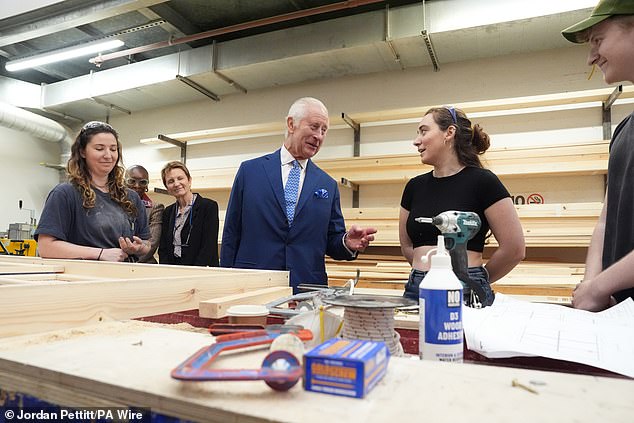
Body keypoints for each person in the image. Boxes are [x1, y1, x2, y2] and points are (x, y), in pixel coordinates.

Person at [220, 97, 377, 292]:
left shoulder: (327, 184)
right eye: (314, 127)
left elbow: (331, 239)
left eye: (324, 130)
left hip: (306, 289)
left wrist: (347, 242)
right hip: (253, 285)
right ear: (291, 124)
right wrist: (225, 281)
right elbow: (231, 233)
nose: (319, 136)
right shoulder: (250, 172)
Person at [399, 106, 525, 306]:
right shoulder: (414, 187)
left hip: (465, 287)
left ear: (449, 132)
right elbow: (407, 246)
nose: (416, 141)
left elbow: (514, 248)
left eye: (424, 131)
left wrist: (475, 279)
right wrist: (427, 272)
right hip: (417, 286)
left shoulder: (483, 182)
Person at [562, 0, 634, 311]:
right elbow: (607, 220)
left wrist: (601, 285)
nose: (591, 57)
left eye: (598, 40)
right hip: (620, 317)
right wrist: (592, 284)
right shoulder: (623, 130)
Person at [35, 121, 150, 261]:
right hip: (84, 279)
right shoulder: (65, 194)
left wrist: (139, 247)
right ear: (82, 151)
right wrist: (100, 253)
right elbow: (46, 247)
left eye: (113, 149)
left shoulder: (131, 197)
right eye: (99, 148)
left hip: (124, 277)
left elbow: (146, 243)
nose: (108, 155)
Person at [158, 161, 219, 266]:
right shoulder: (168, 212)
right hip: (174, 271)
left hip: (201, 271)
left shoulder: (208, 207)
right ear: (167, 188)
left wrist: (193, 273)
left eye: (180, 178)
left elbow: (208, 246)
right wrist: (166, 270)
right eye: (171, 181)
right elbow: (163, 248)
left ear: (189, 180)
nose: (176, 184)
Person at [125, 165, 164, 263]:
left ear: (147, 185)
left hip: (143, 265)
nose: (137, 185)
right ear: (123, 182)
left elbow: (152, 243)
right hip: (114, 262)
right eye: (132, 181)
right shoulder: (112, 205)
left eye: (143, 182)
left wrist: (128, 263)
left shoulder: (155, 208)